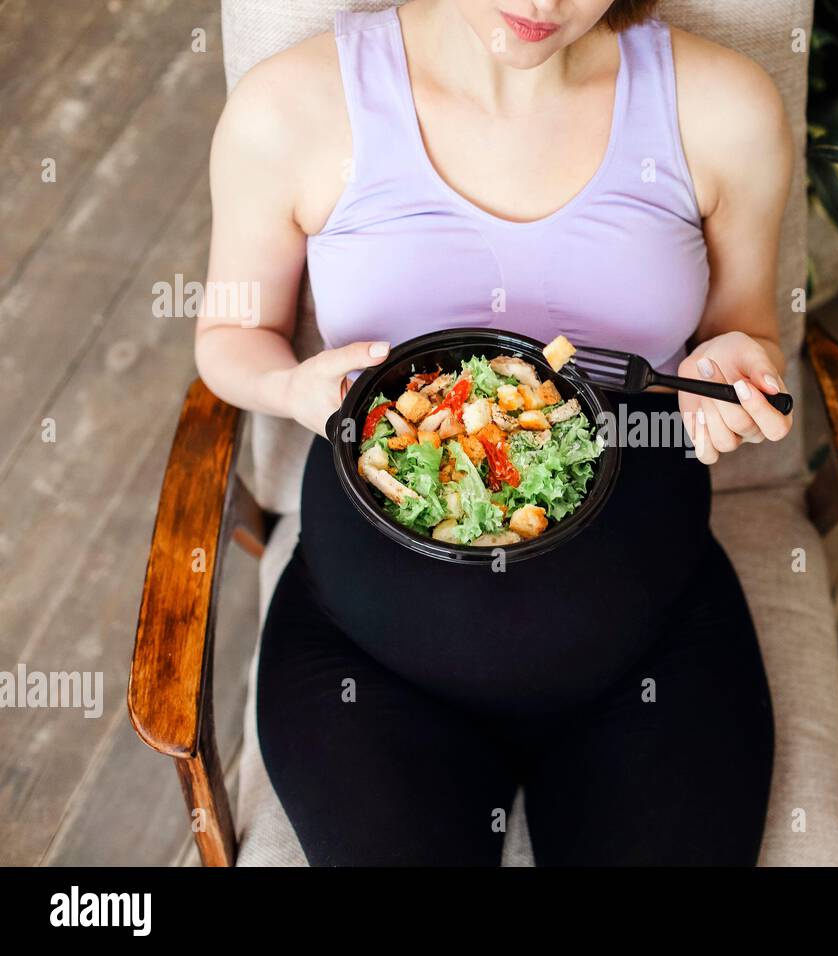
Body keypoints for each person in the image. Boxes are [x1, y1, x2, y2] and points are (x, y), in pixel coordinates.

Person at [195, 0, 793, 865]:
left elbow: (745, 330)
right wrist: (289, 386)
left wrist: (732, 367)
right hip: (369, 661)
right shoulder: (289, 108)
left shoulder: (725, 107)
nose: (543, 5)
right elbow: (227, 340)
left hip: (651, 640)